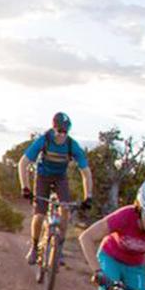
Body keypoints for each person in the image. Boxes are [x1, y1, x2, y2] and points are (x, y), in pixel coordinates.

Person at [18, 112, 94, 264]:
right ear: (53, 129)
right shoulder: (44, 140)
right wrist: (25, 188)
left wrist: (88, 196)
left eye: (65, 132)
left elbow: (86, 173)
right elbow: (23, 163)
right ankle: (34, 247)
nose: (62, 135)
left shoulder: (72, 145)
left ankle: (59, 249)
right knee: (39, 214)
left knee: (64, 210)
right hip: (42, 177)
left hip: (60, 177)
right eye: (59, 131)